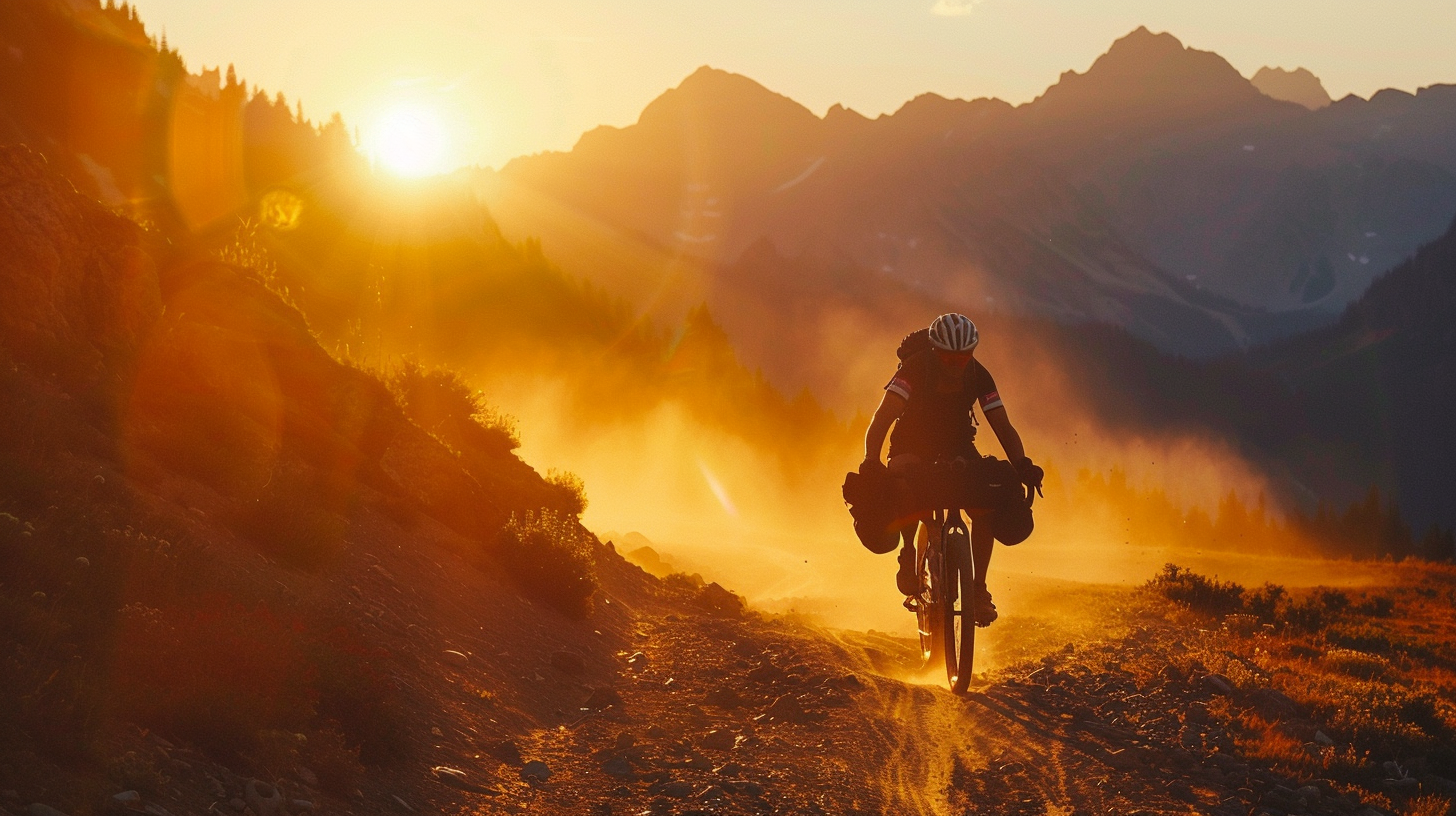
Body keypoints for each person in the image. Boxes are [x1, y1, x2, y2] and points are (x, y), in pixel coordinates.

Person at [858, 313, 1042, 627]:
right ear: (934, 351)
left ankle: (978, 589)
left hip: (958, 443)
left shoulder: (978, 375)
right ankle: (907, 553)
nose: (956, 364)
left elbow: (1002, 424)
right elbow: (883, 417)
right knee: (906, 486)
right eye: (948, 357)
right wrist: (871, 462)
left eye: (963, 357)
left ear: (971, 353)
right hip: (910, 442)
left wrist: (1021, 463)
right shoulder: (914, 368)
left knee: (983, 504)